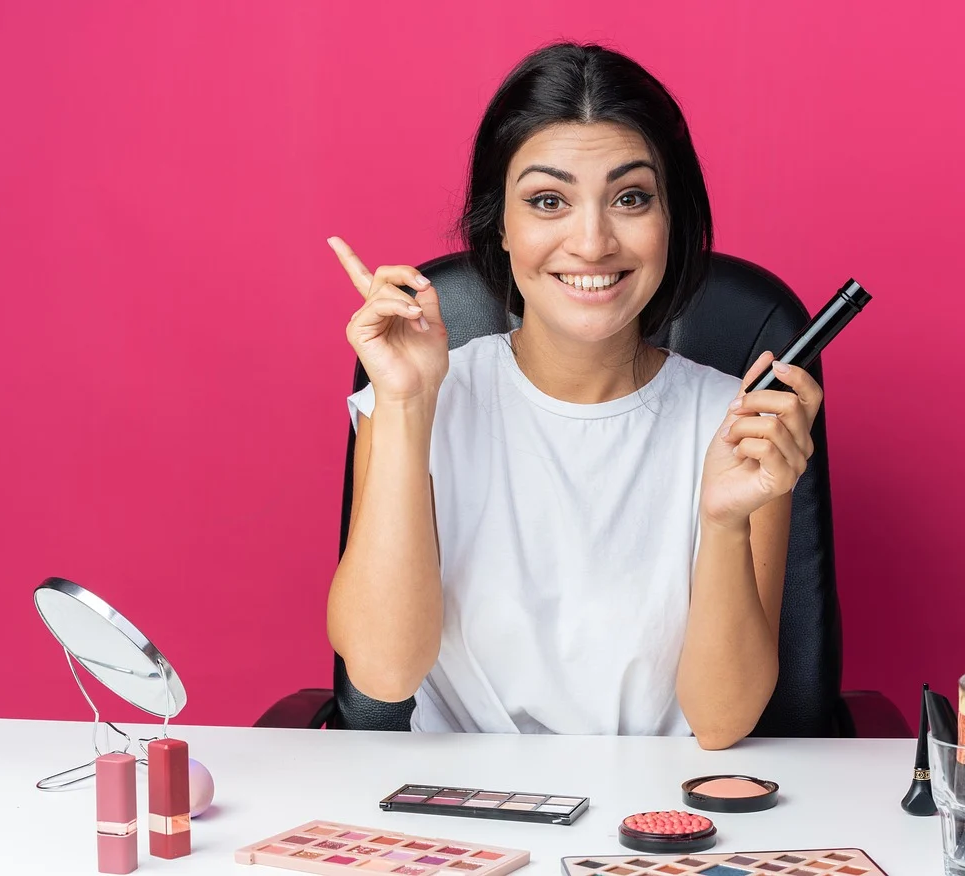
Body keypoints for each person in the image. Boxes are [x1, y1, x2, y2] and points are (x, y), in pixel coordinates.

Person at [325, 42, 822, 750]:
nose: (591, 242)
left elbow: (721, 722)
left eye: (630, 198)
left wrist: (722, 522)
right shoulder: (417, 398)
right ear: (501, 224)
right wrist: (406, 407)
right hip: (461, 810)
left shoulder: (738, 421)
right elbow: (382, 672)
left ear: (671, 219)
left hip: (657, 818)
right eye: (548, 201)